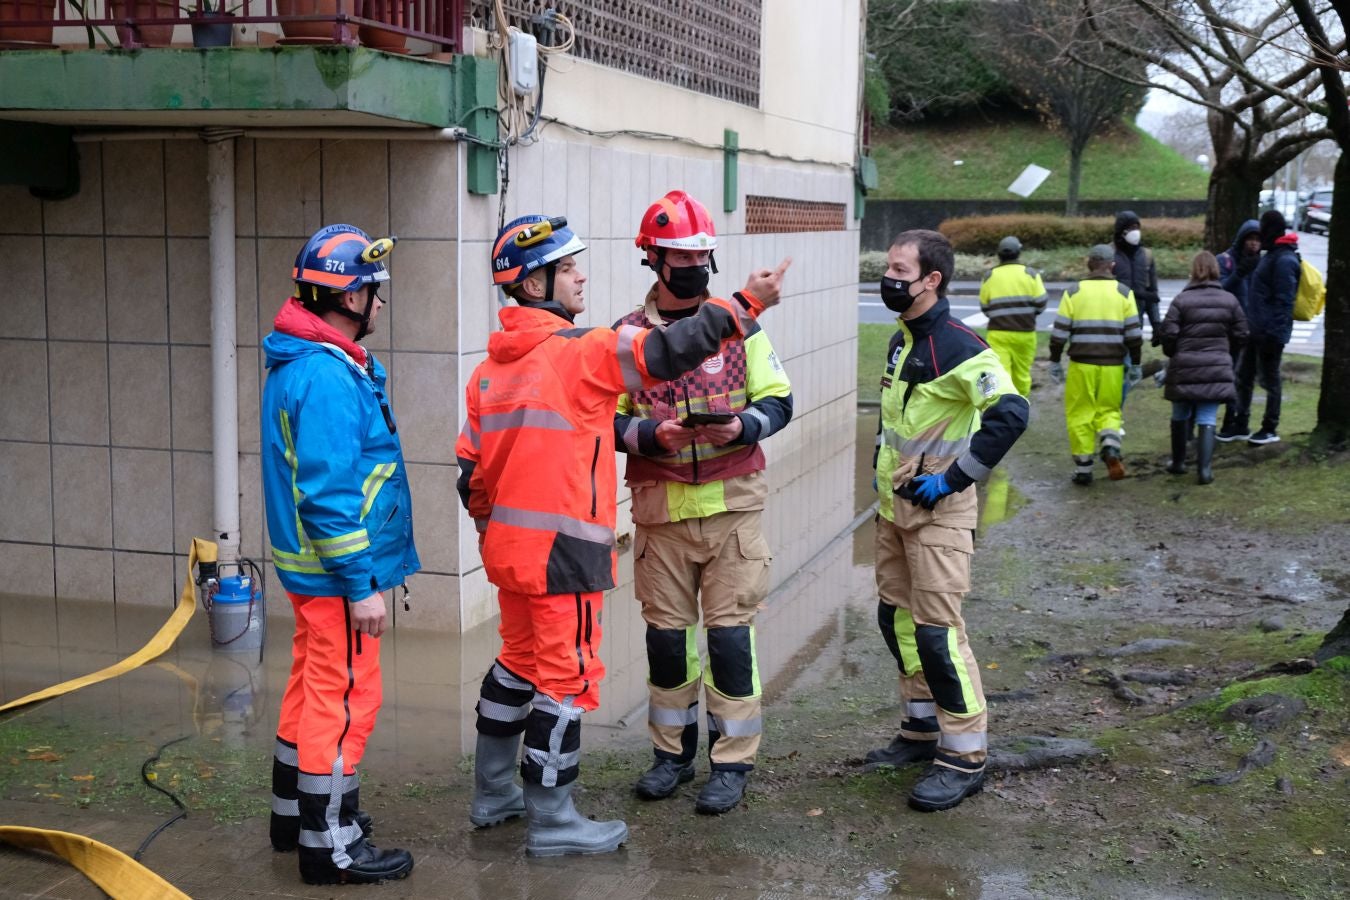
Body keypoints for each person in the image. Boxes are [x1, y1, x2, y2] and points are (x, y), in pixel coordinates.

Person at [455, 214, 789, 856]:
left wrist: (493, 531)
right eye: (568, 266)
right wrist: (746, 303)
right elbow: (663, 352)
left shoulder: (488, 374)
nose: (582, 274)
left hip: (508, 552)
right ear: (533, 285)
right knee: (566, 679)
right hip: (565, 555)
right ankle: (554, 820)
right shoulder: (579, 352)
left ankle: (494, 793)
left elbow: (470, 471)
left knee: (516, 666)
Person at [613, 191, 794, 815]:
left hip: (732, 513)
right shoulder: (626, 338)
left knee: (728, 641)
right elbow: (602, 421)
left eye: (700, 255)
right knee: (665, 642)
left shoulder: (742, 327)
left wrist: (743, 427)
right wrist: (647, 435)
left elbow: (779, 401)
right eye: (681, 255)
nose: (693, 266)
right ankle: (670, 756)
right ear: (653, 259)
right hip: (661, 515)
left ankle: (732, 762)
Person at [261, 224, 417, 885]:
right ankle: (332, 844)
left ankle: (293, 816)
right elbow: (327, 495)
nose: (380, 303)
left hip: (310, 569)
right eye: (373, 291)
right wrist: (360, 584)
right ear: (347, 298)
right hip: (336, 572)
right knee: (345, 698)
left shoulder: (312, 361)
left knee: (310, 686)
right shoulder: (325, 376)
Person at [863, 229, 1029, 812]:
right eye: (889, 266)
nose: (889, 277)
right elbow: (894, 429)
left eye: (900, 269)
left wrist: (955, 478)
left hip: (939, 515)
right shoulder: (901, 341)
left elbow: (1011, 414)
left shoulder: (964, 348)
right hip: (894, 513)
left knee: (937, 632)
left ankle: (964, 755)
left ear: (931, 280)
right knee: (898, 622)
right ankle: (921, 729)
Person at [1048, 245, 1143, 485]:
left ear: (1089, 264)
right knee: (1109, 410)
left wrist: (1055, 361)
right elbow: (1134, 335)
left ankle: (1084, 470)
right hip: (1113, 366)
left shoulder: (1074, 292)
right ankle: (1110, 446)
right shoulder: (1124, 292)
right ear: (1112, 265)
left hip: (1082, 365)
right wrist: (1136, 364)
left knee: (1080, 414)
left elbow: (1059, 334)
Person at [1160, 252, 1249, 485]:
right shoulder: (1229, 300)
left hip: (1184, 367)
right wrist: (1226, 351)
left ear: (1194, 270)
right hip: (1216, 366)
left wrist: (1173, 353)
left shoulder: (1181, 300)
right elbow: (1242, 333)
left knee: (1180, 414)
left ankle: (1178, 463)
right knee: (1207, 416)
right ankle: (1205, 470)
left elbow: (1168, 332)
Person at [1218, 210, 1300, 446]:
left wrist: (1273, 335)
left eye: (1263, 229)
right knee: (1244, 377)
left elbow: (1285, 302)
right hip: (1255, 331)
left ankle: (1269, 427)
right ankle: (1240, 424)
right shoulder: (1271, 256)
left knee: (1270, 381)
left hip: (1269, 335)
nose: (1259, 236)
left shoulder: (1284, 259)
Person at [978, 235, 1048, 397]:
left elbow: (985, 307)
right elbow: (1041, 303)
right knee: (1022, 375)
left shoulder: (989, 276)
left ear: (999, 254)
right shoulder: (1030, 274)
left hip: (998, 333)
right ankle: (1021, 405)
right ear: (1019, 253)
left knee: (1001, 374)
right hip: (1025, 333)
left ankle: (1003, 409)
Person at [1216, 220, 1261, 440]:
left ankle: (1238, 422)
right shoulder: (1225, 260)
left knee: (1245, 378)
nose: (1253, 244)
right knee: (1224, 376)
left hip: (1250, 330)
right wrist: (1239, 274)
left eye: (1257, 240)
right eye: (1250, 239)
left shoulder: (1262, 263)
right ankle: (1218, 422)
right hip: (1225, 329)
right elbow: (1218, 289)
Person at [1112, 210, 1161, 342]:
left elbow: (1152, 294)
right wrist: (1135, 293)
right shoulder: (1109, 254)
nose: (1135, 232)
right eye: (1131, 228)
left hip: (1136, 323)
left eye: (1137, 227)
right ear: (1121, 231)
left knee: (1133, 360)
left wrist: (1156, 325)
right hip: (1113, 320)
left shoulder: (1147, 255)